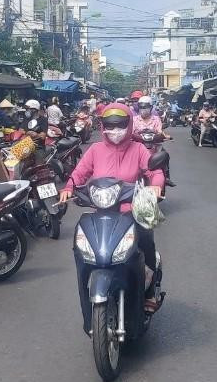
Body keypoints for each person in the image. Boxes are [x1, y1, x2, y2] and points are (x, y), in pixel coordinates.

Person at [59, 104, 165, 315]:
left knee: (145, 239)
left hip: (131, 210)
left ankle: (150, 291)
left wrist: (156, 185)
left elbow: (155, 171)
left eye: (120, 125)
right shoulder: (95, 150)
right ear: (102, 126)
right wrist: (69, 187)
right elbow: (79, 173)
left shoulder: (138, 149)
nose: (115, 130)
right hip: (102, 213)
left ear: (129, 124)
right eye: (110, 125)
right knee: (87, 247)